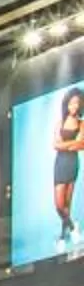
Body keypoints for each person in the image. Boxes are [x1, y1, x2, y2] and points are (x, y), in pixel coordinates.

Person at [54, 90, 84, 252]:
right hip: (60, 163)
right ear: (67, 103)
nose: (74, 106)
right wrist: (72, 144)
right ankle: (73, 228)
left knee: (67, 204)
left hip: (73, 164)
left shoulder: (81, 124)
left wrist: (67, 145)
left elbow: (82, 145)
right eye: (72, 102)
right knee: (59, 205)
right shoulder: (59, 122)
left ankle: (62, 235)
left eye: (77, 103)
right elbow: (55, 145)